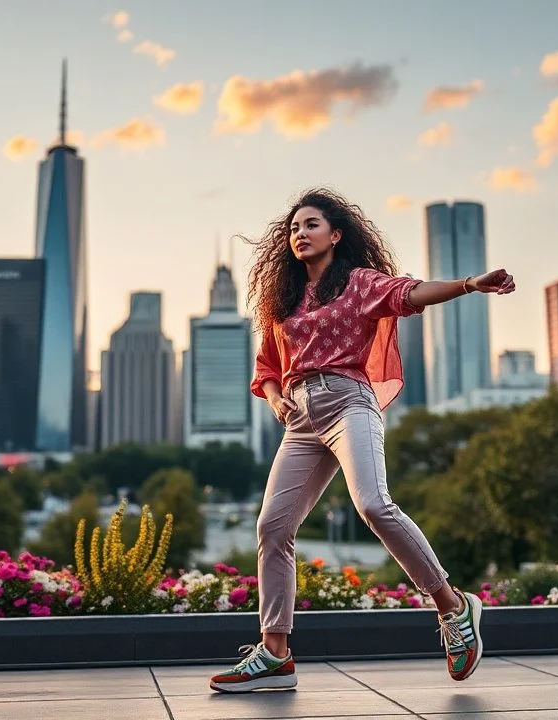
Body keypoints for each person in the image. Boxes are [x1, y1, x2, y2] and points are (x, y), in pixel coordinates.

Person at [209, 188, 516, 693]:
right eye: (293, 229)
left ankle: (454, 609)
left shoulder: (358, 284)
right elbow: (266, 369)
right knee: (272, 527)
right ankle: (275, 654)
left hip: (349, 403)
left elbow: (410, 294)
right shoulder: (281, 302)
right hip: (300, 420)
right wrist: (273, 399)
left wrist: (468, 284)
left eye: (311, 225)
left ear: (336, 234)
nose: (300, 235)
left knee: (374, 504)